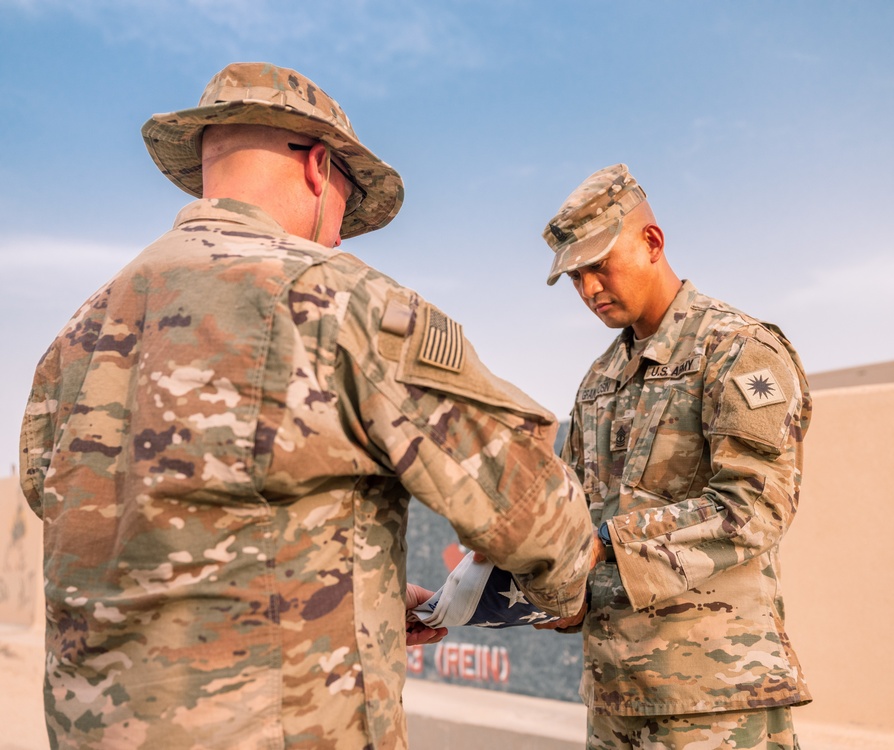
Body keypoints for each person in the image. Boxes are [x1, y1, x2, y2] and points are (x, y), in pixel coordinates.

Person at [19, 62, 596, 749]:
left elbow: (88, 516)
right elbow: (531, 507)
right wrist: (566, 594)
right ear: (320, 167)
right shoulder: (340, 303)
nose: (341, 237)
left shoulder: (78, 335)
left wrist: (365, 603)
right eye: (347, 208)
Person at [538, 164, 813, 750]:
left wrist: (606, 544)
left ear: (652, 242)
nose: (588, 290)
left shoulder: (737, 349)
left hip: (716, 698)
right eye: (574, 277)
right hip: (616, 696)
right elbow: (571, 516)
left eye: (598, 266)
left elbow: (755, 504)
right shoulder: (599, 381)